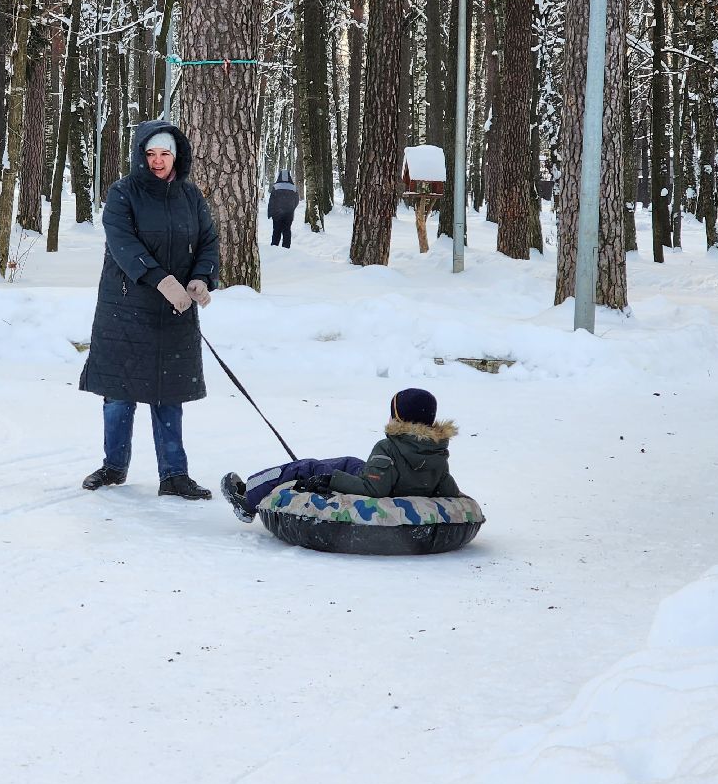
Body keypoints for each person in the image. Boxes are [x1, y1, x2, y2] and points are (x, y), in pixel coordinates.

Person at [78, 120, 220, 500]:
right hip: (125, 309)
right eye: (151, 154)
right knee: (119, 393)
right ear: (141, 155)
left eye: (165, 154)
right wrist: (163, 281)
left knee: (168, 394)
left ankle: (174, 475)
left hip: (175, 312)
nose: (157, 161)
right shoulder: (122, 193)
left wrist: (201, 279)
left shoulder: (191, 197)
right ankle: (113, 467)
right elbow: (124, 246)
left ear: (177, 156)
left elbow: (208, 241)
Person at [220, 388, 462, 522]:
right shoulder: (436, 451)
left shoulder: (388, 447)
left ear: (397, 418)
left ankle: (247, 496)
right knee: (353, 462)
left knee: (306, 467)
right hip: (397, 481)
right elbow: (446, 487)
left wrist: (333, 479)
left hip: (383, 483)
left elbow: (374, 490)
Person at [267, 169, 298, 248]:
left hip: (277, 213)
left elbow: (271, 201)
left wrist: (270, 212)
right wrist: (291, 208)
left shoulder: (276, 187)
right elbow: (297, 200)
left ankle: (274, 245)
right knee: (287, 230)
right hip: (289, 214)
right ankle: (286, 247)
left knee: (276, 230)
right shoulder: (293, 188)